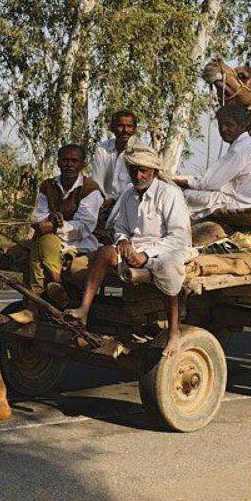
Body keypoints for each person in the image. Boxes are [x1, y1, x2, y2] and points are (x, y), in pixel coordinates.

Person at [72, 143, 193, 356]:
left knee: (167, 269)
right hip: (135, 249)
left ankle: (173, 332)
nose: (138, 175)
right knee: (104, 253)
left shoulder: (169, 193)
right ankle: (83, 310)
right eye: (133, 170)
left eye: (143, 170)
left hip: (166, 249)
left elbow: (179, 237)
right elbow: (120, 227)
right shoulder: (129, 194)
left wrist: (146, 256)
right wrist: (123, 241)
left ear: (154, 171)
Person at [24, 144, 104, 289]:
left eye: (74, 161)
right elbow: (40, 216)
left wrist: (56, 227)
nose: (69, 165)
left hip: (79, 241)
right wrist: (51, 221)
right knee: (44, 240)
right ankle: (54, 284)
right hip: (50, 235)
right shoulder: (47, 185)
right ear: (58, 163)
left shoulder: (90, 188)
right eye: (65, 160)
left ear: (82, 164)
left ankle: (42, 290)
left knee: (43, 241)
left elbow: (84, 227)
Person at [176, 105, 251, 217]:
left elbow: (207, 183)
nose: (223, 129)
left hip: (244, 204)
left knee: (184, 195)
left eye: (229, 125)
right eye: (220, 125)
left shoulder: (240, 149)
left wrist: (175, 180)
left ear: (242, 126)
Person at [89, 110, 139, 213]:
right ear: (112, 128)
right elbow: (97, 181)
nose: (125, 130)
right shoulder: (102, 149)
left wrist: (114, 200)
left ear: (134, 129)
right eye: (120, 126)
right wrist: (103, 200)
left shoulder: (140, 151)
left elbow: (136, 186)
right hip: (102, 203)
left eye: (129, 126)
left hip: (129, 205)